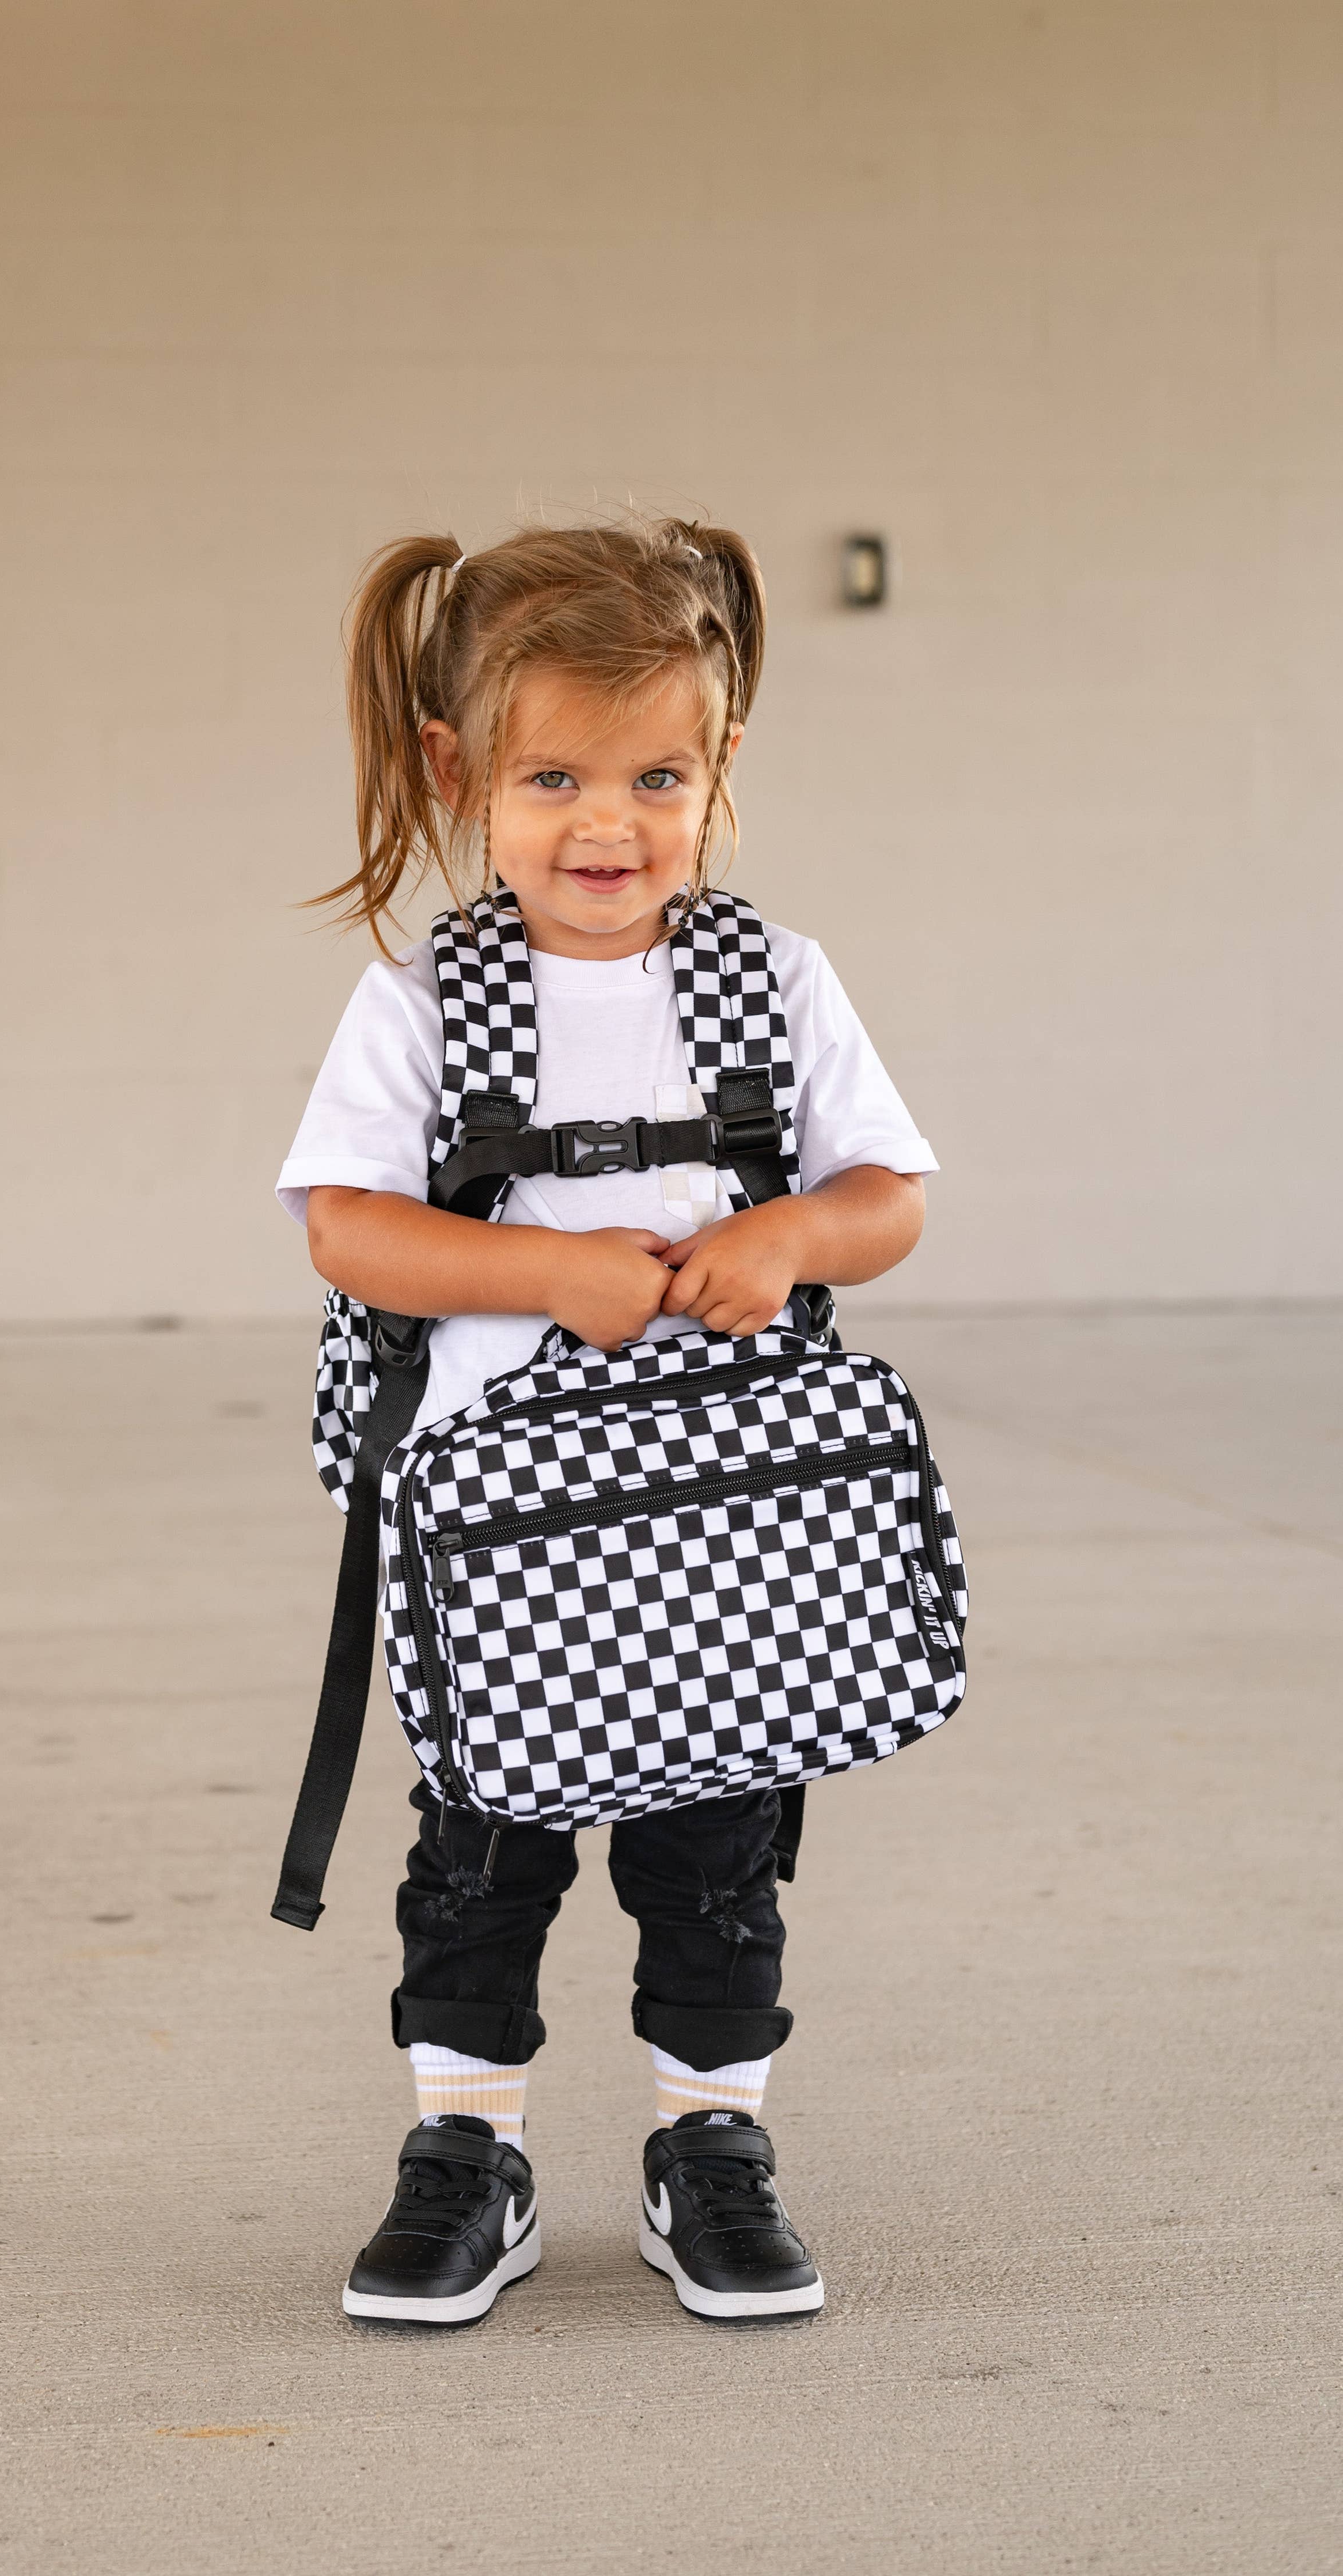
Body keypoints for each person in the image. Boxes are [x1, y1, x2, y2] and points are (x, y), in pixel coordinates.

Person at [275, 519, 936, 2325]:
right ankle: (462, 2152)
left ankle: (710, 2145)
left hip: (726, 1522)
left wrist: (792, 1230)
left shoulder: (774, 983)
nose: (606, 824)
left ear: (722, 768)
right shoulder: (423, 1001)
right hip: (496, 1544)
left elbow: (889, 1197)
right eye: (553, 774)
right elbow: (347, 1228)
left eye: (657, 774)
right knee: (480, 1852)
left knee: (718, 1853)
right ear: (456, 771)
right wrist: (542, 1274)